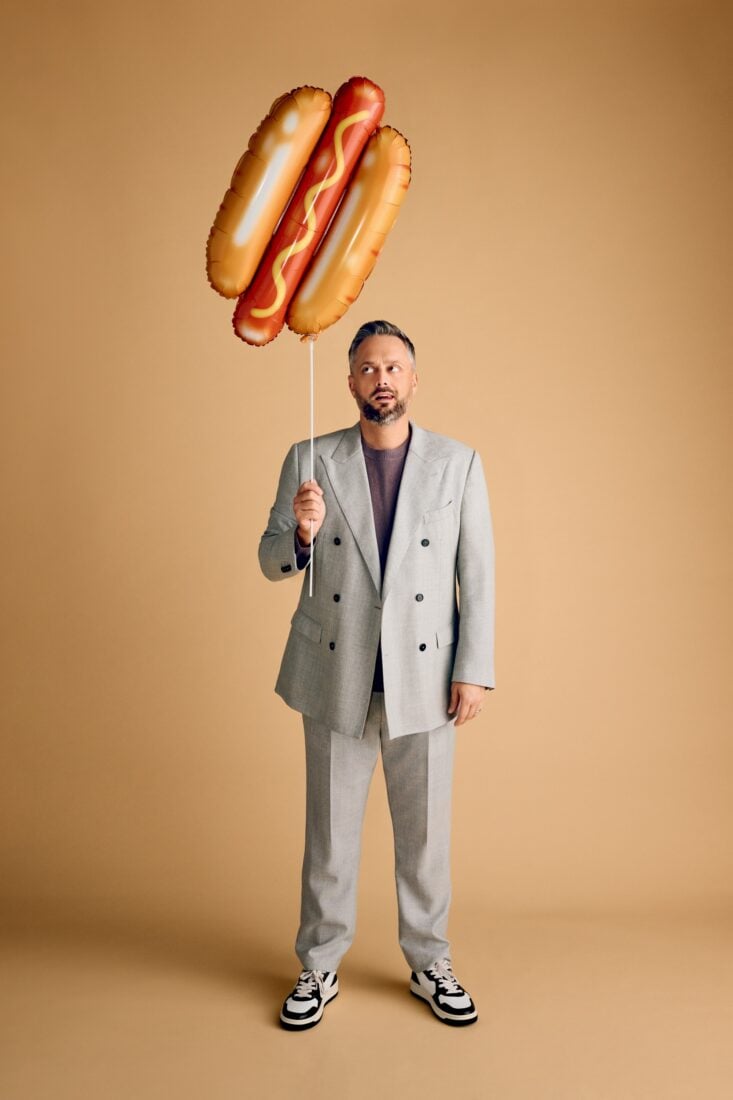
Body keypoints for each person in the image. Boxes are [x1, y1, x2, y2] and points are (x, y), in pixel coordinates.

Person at [258, 320, 495, 1029]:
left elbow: (475, 575)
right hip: (337, 674)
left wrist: (473, 670)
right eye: (367, 367)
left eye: (393, 367)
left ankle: (430, 962)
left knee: (424, 838)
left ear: (413, 380)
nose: (381, 379)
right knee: (329, 835)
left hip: (424, 679)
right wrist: (299, 535)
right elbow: (269, 560)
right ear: (350, 380)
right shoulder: (311, 457)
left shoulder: (457, 463)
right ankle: (318, 967)